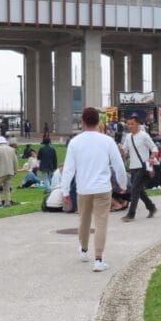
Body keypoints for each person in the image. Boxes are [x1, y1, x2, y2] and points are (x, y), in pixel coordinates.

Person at [61, 108, 128, 271]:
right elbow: (118, 164)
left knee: (83, 220)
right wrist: (123, 183)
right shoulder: (107, 141)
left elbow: (68, 169)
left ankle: (84, 250)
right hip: (102, 188)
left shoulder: (75, 142)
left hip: (83, 188)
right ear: (99, 122)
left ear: (82, 122)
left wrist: (65, 191)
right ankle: (98, 259)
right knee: (101, 223)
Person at [121, 113, 158, 222]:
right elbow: (125, 151)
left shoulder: (144, 135)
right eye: (128, 124)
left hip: (143, 166)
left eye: (132, 124)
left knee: (134, 188)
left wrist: (152, 156)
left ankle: (131, 214)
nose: (130, 126)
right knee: (138, 190)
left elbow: (154, 147)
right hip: (133, 167)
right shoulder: (128, 137)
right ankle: (151, 207)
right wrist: (120, 149)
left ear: (137, 124)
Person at [0, 136, 19, 208]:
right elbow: (15, 161)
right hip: (10, 171)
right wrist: (15, 170)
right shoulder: (11, 149)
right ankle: (7, 202)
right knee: (7, 188)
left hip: (1, 172)